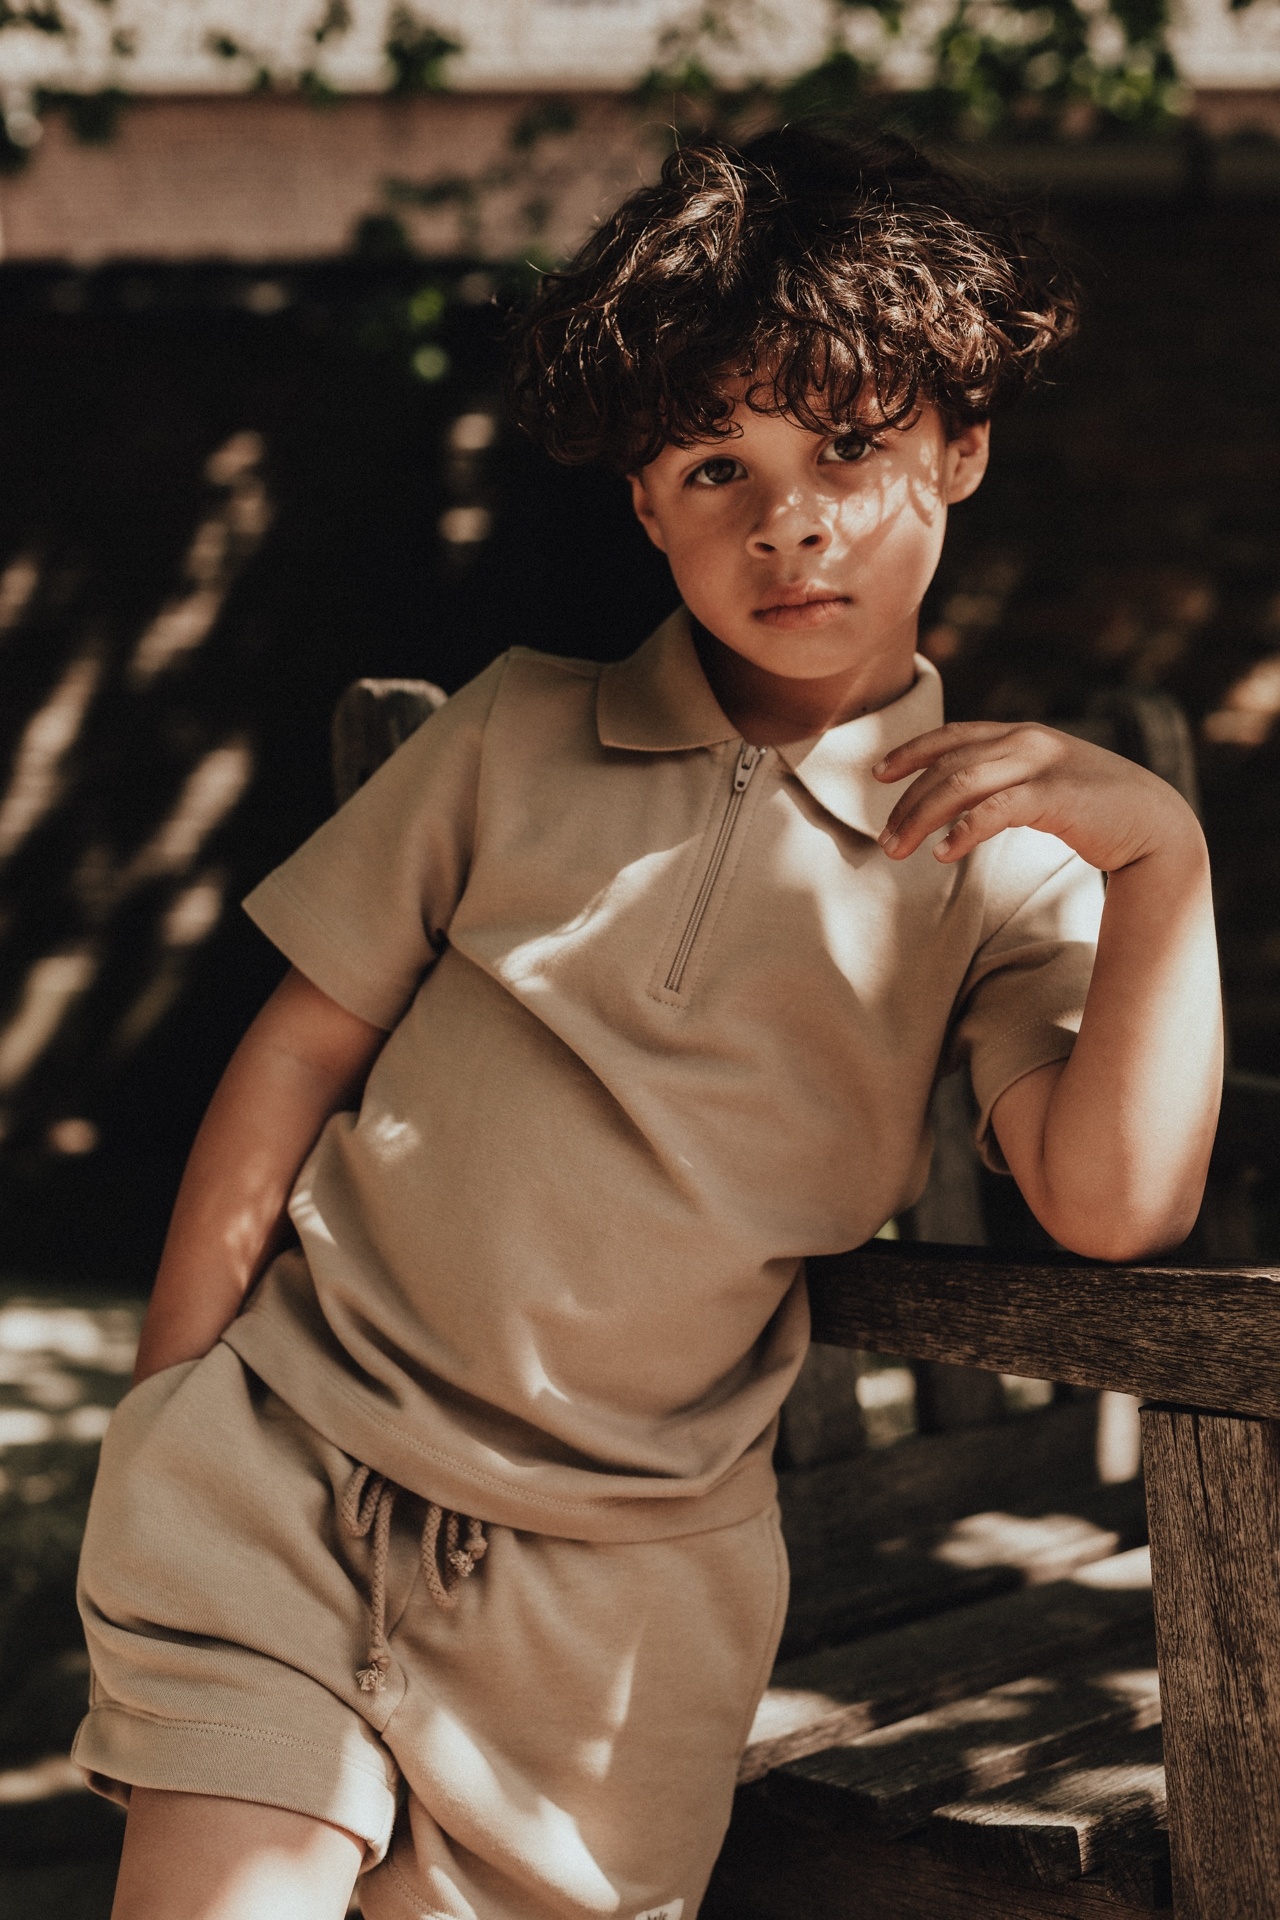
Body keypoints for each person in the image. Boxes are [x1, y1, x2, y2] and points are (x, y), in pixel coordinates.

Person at [74, 128, 1222, 1920]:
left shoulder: (998, 858)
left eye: (849, 447)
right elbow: (297, 1050)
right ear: (643, 504)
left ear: (963, 448)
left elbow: (1112, 1205)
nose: (789, 520)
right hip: (287, 1473)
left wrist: (1163, 863)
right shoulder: (509, 733)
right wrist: (167, 1400)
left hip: (618, 1606)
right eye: (715, 465)